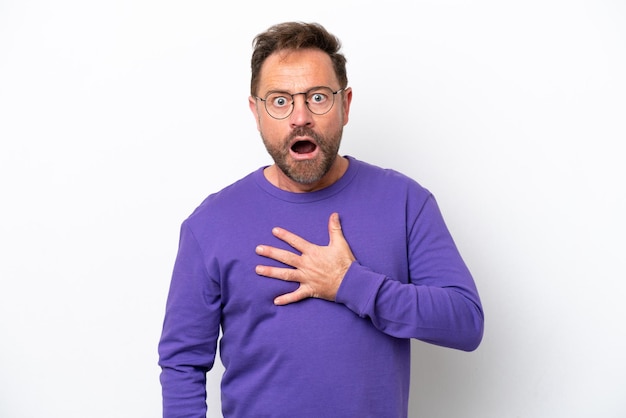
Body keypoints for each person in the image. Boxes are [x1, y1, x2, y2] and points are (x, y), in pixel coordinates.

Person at [158, 21, 484, 418]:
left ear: (345, 105)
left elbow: (466, 322)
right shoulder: (210, 224)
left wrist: (349, 283)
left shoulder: (405, 202)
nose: (300, 117)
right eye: (280, 101)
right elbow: (182, 363)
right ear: (255, 111)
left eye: (317, 97)